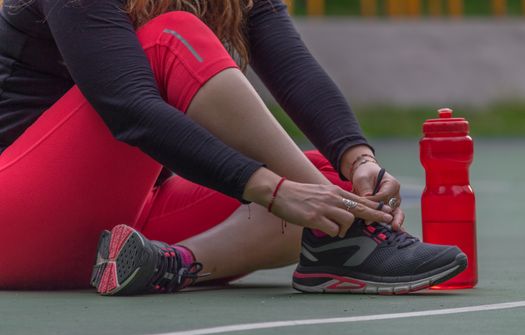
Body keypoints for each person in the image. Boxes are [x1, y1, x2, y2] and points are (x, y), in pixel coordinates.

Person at [0, 0, 466, 295]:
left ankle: (170, 264)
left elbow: (294, 71)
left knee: (332, 181)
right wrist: (274, 190)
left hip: (119, 223)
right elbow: (130, 110)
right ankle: (347, 240)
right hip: (18, 222)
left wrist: (359, 159)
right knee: (170, 37)